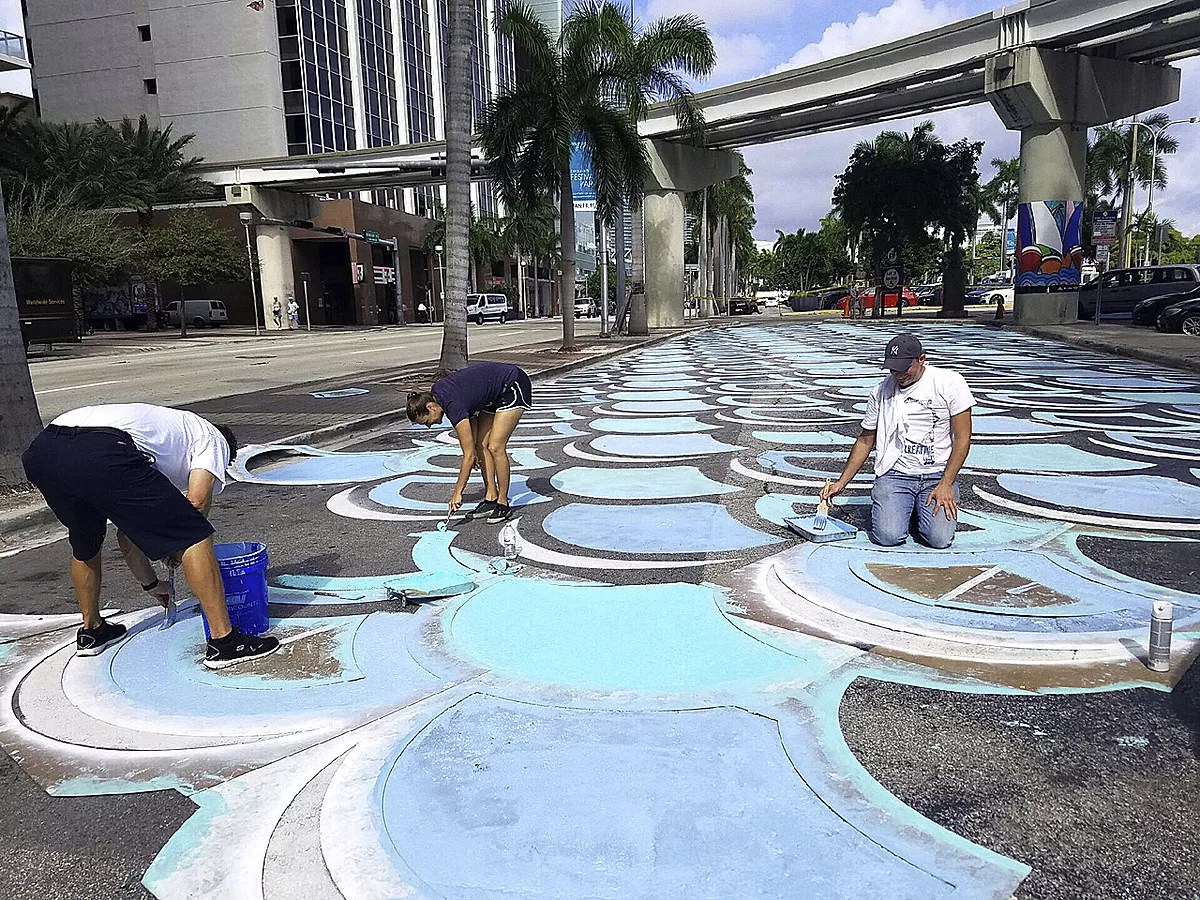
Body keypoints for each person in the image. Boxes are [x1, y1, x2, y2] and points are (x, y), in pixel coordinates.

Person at [21, 404, 280, 669]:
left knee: (85, 540)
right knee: (194, 533)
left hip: (44, 452)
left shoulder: (166, 439)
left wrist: (153, 585)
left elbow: (128, 535)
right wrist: (177, 545)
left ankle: (92, 631)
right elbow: (198, 502)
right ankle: (225, 643)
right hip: (100, 448)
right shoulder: (213, 438)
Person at [819, 334, 974, 548]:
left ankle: (915, 510)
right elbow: (865, 440)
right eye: (893, 369)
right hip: (896, 473)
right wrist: (841, 483)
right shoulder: (881, 392)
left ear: (921, 359)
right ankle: (903, 506)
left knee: (939, 540)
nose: (898, 374)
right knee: (888, 537)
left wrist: (946, 483)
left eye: (904, 368)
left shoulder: (950, 383)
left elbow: (963, 438)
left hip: (937, 474)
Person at [405, 362, 533, 524]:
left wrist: (458, 493)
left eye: (426, 421)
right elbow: (471, 415)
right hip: (493, 394)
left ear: (431, 407)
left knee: (495, 447)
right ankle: (491, 497)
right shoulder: (438, 394)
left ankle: (503, 503)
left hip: (512, 384)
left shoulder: (452, 405)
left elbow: (468, 455)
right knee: (481, 445)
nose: (429, 426)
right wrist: (474, 451)